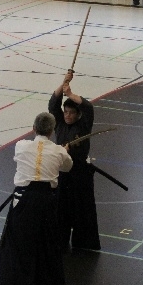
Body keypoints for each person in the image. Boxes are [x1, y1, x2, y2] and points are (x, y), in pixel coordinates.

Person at [0, 112, 73, 285]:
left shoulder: (21, 146)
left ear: (34, 129)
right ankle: (58, 284)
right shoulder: (59, 151)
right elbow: (67, 167)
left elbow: (27, 159)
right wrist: (63, 151)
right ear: (52, 131)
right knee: (49, 243)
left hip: (23, 202)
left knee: (13, 249)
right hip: (47, 202)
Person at [48, 71, 100, 250]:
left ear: (78, 115)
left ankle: (83, 244)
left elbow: (88, 107)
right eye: (66, 112)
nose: (67, 115)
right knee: (61, 209)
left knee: (81, 210)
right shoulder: (59, 124)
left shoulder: (83, 126)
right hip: (62, 174)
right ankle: (60, 241)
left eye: (71, 113)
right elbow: (53, 104)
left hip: (80, 174)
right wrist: (63, 82)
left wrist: (69, 94)